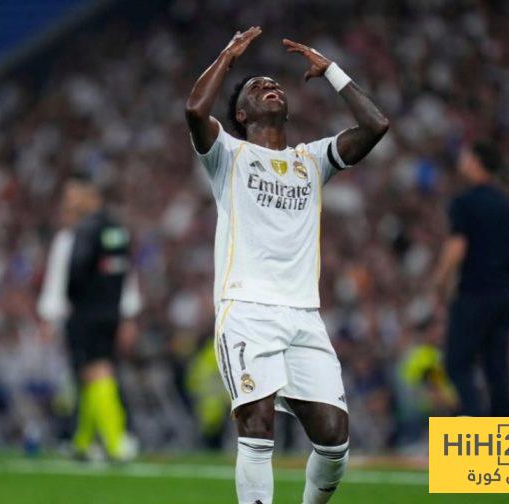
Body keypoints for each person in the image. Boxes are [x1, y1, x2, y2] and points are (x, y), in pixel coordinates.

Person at [185, 27, 389, 504]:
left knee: (334, 440)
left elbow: (376, 126)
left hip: (303, 316)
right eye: (257, 87)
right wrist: (228, 57)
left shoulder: (311, 160)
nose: (269, 86)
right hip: (246, 310)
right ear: (241, 114)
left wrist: (332, 71)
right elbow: (195, 110)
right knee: (257, 427)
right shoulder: (228, 155)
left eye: (274, 84)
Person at [37, 173, 141, 460]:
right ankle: (82, 441)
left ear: (88, 194)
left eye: (72, 195)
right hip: (110, 311)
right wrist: (127, 313)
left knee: (96, 370)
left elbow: (65, 278)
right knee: (85, 374)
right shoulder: (116, 230)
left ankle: (117, 440)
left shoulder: (76, 234)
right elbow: (125, 273)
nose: (67, 201)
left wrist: (51, 314)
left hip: (85, 312)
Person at [433, 143, 509, 416]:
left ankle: (477, 423)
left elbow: (457, 247)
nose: (461, 160)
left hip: (474, 292)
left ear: (476, 161)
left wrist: (439, 283)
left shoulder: (465, 202)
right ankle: (503, 425)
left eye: (466, 155)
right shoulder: (507, 205)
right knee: (497, 368)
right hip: (503, 295)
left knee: (456, 363)